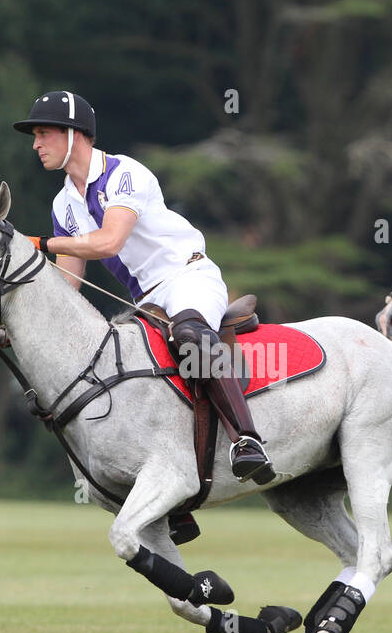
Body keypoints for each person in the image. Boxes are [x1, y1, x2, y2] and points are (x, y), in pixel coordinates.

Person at [14, 91, 274, 484]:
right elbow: (68, 283)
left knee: (190, 332)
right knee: (123, 371)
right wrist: (20, 315)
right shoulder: (63, 205)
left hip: (188, 278)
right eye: (35, 135)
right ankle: (172, 490)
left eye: (44, 133)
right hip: (146, 303)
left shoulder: (124, 173)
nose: (36, 144)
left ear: (75, 134)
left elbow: (108, 242)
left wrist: (39, 244)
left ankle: (247, 441)